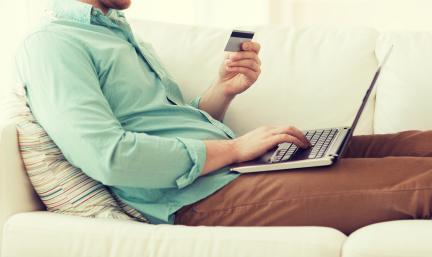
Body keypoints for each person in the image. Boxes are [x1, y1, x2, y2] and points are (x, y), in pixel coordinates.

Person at [16, 0, 432, 234]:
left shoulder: (117, 32)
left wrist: (223, 90)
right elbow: (108, 156)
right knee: (420, 184)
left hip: (235, 168)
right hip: (198, 197)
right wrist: (234, 148)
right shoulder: (54, 45)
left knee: (414, 144)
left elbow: (169, 123)